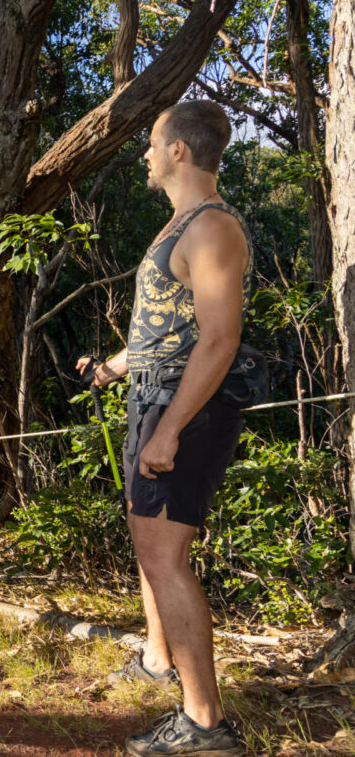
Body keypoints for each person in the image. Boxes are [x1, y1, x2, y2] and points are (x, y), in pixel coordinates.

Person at [77, 100, 249, 756]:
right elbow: (168, 329)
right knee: (151, 551)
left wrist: (170, 429)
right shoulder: (180, 226)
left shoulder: (211, 228)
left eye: (151, 143)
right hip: (156, 399)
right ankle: (159, 662)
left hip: (187, 409)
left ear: (179, 149)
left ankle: (205, 725)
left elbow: (219, 338)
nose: (145, 154)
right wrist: (112, 369)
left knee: (166, 559)